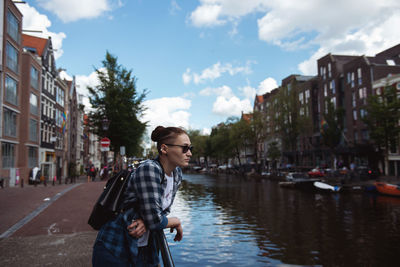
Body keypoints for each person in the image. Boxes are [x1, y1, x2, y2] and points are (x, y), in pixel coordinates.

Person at [92, 126, 193, 266]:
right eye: (184, 148)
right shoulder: (150, 169)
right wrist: (175, 221)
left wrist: (147, 221)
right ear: (164, 149)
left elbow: (160, 213)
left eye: (190, 149)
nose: (189, 153)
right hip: (116, 246)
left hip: (144, 250)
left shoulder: (177, 174)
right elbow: (155, 220)